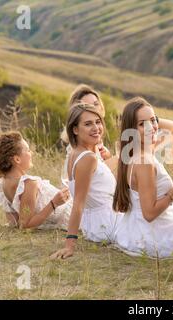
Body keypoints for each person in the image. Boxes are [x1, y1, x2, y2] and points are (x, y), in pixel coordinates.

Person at [113, 97, 173, 258]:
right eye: (142, 124)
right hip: (157, 237)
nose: (152, 127)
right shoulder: (144, 162)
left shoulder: (136, 151)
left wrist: (151, 121)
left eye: (154, 121)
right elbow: (149, 214)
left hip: (134, 231)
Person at [51, 103, 123, 259]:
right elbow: (78, 203)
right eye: (88, 124)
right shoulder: (87, 158)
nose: (96, 127)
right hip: (108, 223)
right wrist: (69, 246)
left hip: (97, 223)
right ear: (75, 129)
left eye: (98, 122)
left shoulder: (80, 152)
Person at [0, 131, 71, 230]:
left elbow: (14, 222)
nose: (31, 153)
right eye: (28, 150)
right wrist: (54, 203)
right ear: (17, 159)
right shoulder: (28, 183)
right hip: (71, 215)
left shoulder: (4, 182)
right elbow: (25, 225)